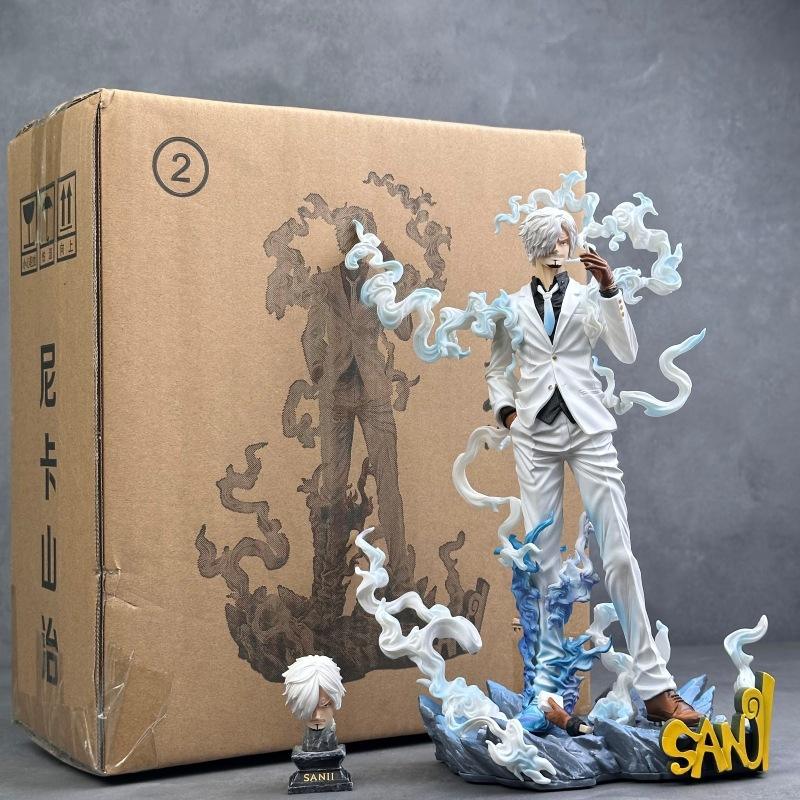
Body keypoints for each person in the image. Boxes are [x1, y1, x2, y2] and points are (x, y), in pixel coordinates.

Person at [485, 207, 702, 729]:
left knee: (619, 553)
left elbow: (626, 352)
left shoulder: (588, 296)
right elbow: (497, 367)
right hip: (534, 436)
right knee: (543, 562)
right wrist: (509, 414)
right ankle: (547, 692)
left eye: (566, 240)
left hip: (588, 428)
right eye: (552, 241)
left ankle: (655, 686)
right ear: (535, 246)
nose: (560, 249)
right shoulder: (510, 307)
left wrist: (608, 290)